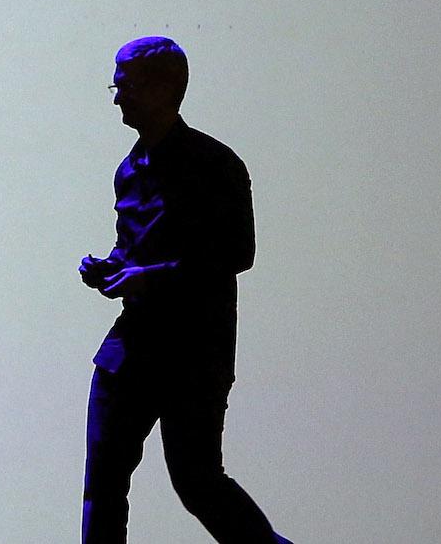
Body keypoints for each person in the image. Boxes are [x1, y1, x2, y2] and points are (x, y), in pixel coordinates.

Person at [77, 36, 293, 544]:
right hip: (131, 348)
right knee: (103, 480)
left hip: (195, 352)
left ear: (163, 88)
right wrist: (112, 268)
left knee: (197, 481)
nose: (117, 98)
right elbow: (133, 250)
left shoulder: (216, 164)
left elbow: (238, 253)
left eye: (124, 85)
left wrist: (145, 276)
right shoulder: (129, 171)